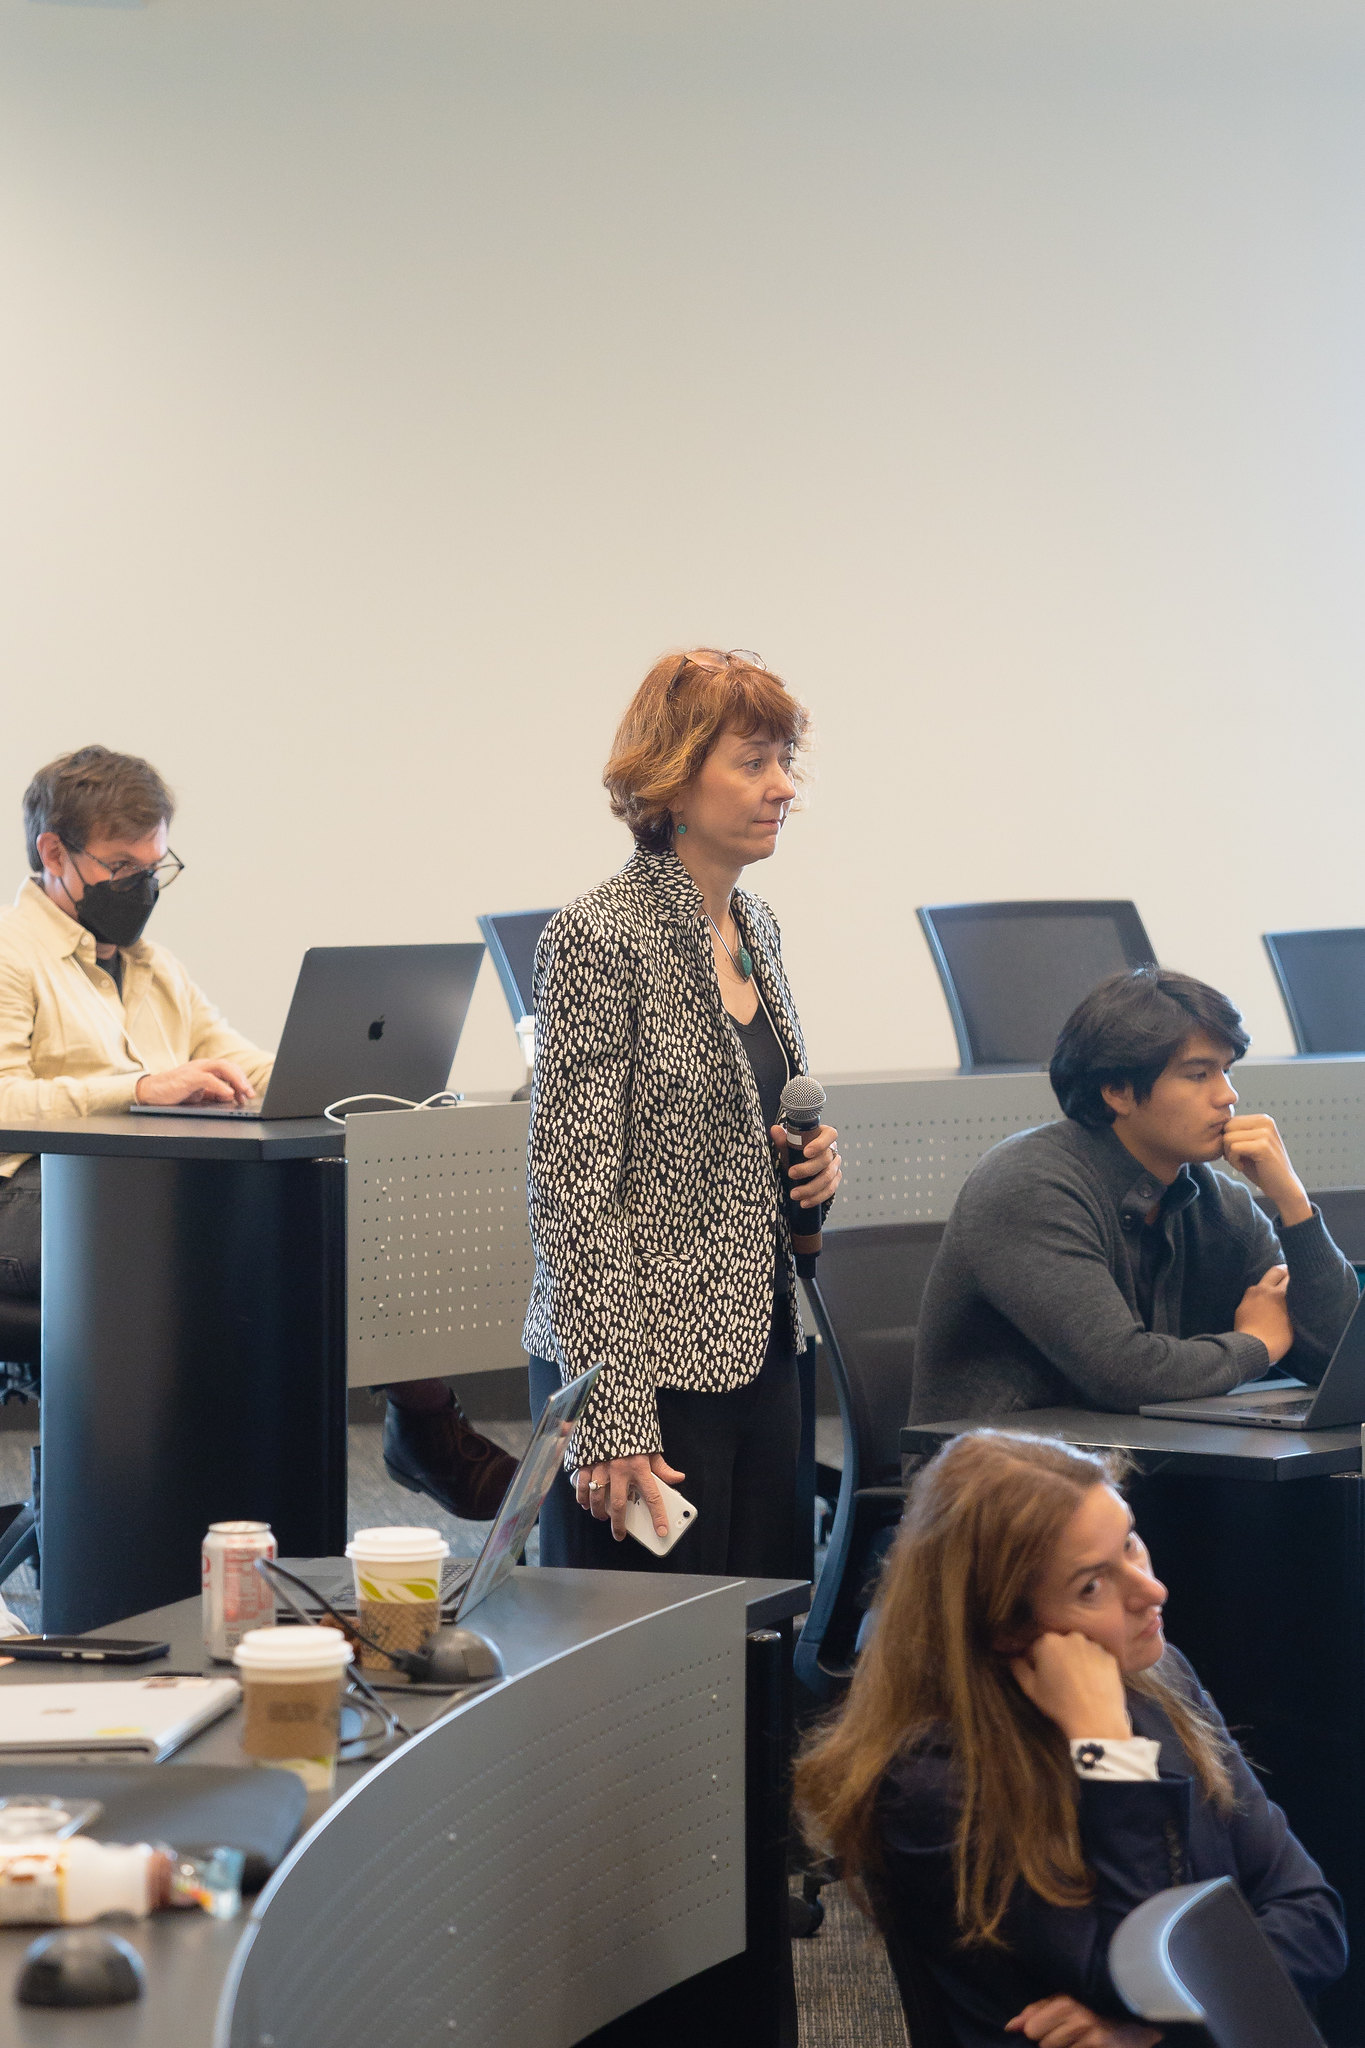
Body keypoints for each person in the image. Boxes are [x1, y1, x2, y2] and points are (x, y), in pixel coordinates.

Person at [0, 746, 512, 1518]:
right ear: (52, 853)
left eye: (154, 865)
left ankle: (421, 1421)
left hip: (139, 1195)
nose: (140, 886)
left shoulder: (152, 967)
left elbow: (245, 1064)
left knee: (354, 1202)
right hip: (36, 1197)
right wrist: (138, 1087)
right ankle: (182, 1505)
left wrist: (364, 1080)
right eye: (120, 866)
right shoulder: (12, 956)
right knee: (250, 1240)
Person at [795, 1429, 1347, 2048]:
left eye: (1131, 1543)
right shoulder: (931, 1782)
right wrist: (1107, 1751)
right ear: (1006, 1628)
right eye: (1092, 1585)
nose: (1151, 1590)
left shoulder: (1158, 1678)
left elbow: (1316, 1920)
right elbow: (1145, 1974)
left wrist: (1148, 2033)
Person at [523, 647, 841, 1573]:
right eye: (753, 763)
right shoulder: (596, 935)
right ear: (671, 780)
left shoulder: (756, 927)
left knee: (759, 1641)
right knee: (653, 1674)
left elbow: (745, 1125)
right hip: (640, 1363)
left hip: (760, 1341)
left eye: (785, 761)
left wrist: (813, 1166)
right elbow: (572, 1194)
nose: (781, 787)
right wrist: (612, 1409)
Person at [909, 966, 1359, 1424]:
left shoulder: (1222, 1204)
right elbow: (1124, 1374)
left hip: (1155, 1470)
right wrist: (1256, 1344)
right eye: (1199, 1074)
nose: (1228, 1095)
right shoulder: (1030, 1184)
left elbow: (1344, 1367)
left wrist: (1295, 1206)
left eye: (1226, 1070)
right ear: (1118, 1091)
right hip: (1007, 1485)